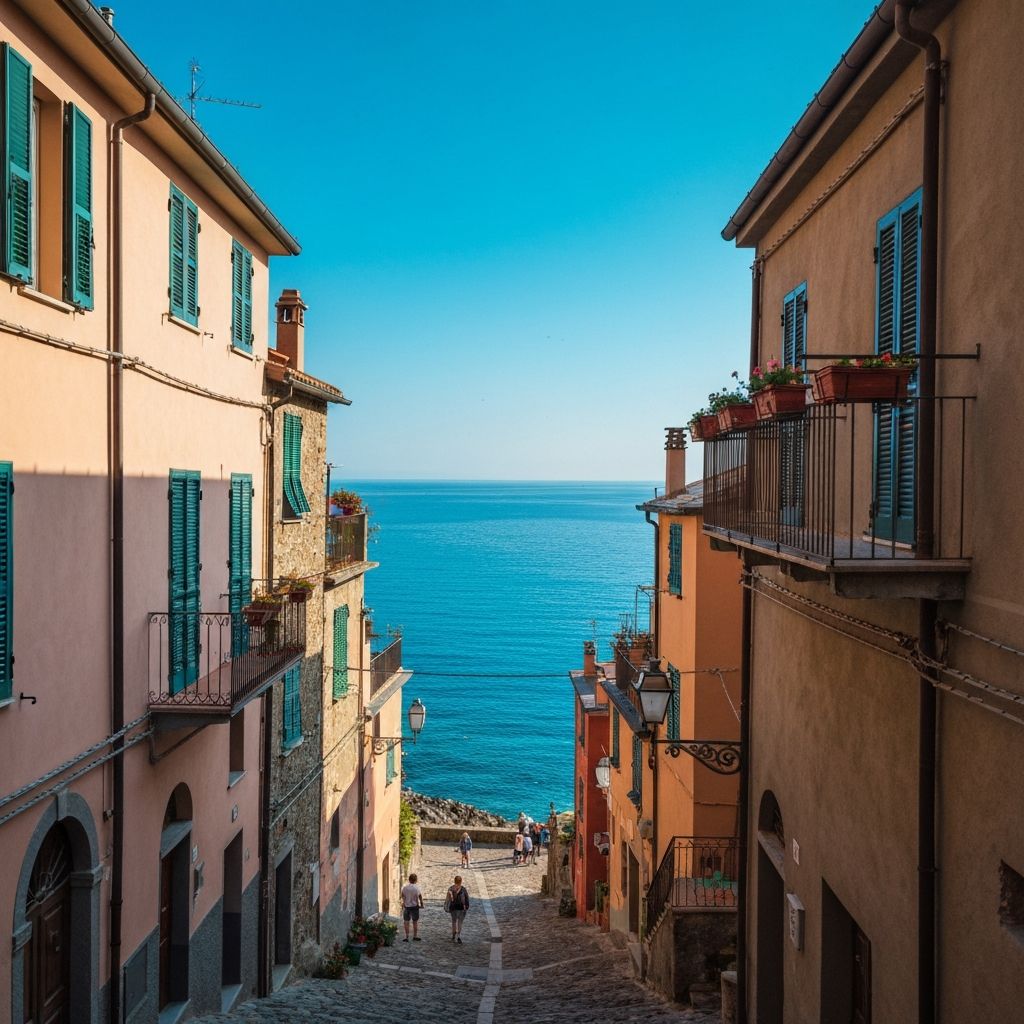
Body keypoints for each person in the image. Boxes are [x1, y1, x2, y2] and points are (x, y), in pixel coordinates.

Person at [445, 875, 470, 943]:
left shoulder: (451, 888)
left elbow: (448, 898)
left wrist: (446, 906)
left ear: (454, 881)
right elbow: (467, 898)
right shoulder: (463, 889)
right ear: (461, 881)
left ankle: (453, 934)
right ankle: (458, 936)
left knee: (454, 921)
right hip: (461, 908)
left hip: (453, 907)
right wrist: (467, 906)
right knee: (460, 922)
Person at [400, 873, 424, 942]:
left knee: (406, 922)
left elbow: (402, 895)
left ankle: (407, 937)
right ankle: (415, 936)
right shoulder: (417, 888)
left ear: (409, 880)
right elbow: (420, 896)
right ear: (416, 880)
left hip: (407, 907)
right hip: (414, 907)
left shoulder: (405, 888)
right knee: (415, 922)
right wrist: (422, 904)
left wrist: (404, 901)